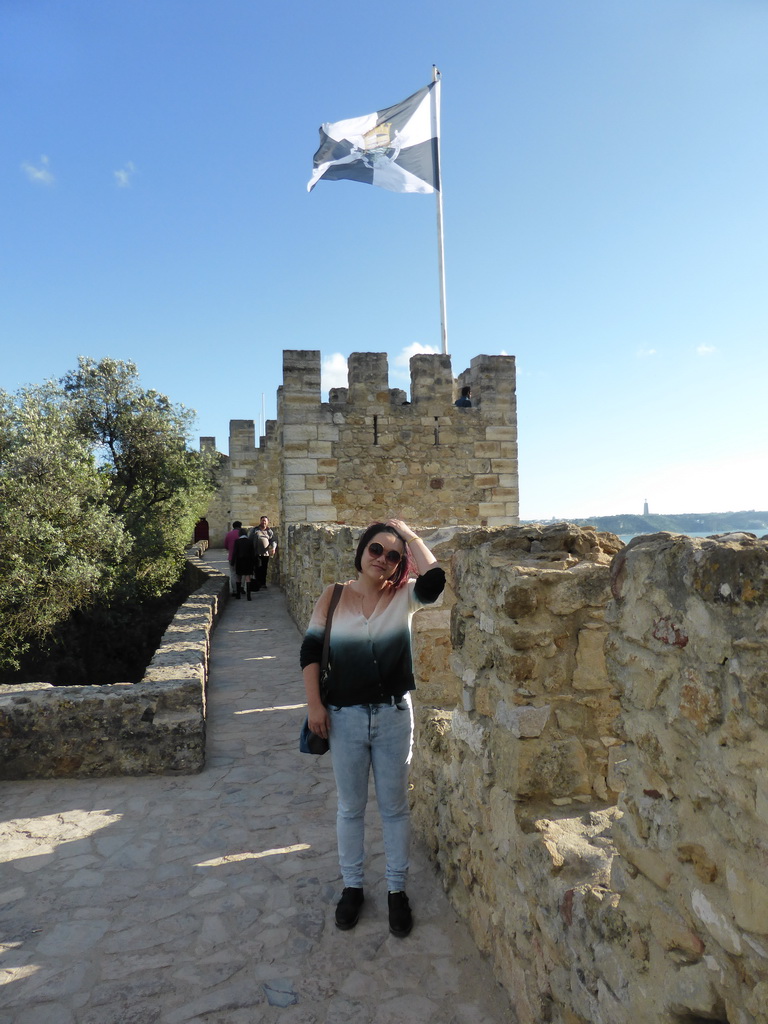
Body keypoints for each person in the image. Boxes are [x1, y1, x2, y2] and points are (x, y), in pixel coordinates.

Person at [300, 518, 445, 938]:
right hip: (342, 717)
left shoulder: (405, 597)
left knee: (395, 807)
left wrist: (410, 534)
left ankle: (396, 891)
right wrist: (314, 705)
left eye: (393, 555)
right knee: (350, 807)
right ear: (362, 551)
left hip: (393, 716)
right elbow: (310, 649)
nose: (383, 558)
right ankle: (353, 887)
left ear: (402, 564)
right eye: (376, 549)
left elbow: (435, 581)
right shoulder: (334, 596)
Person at [249, 515, 277, 591]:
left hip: (265, 554)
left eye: (265, 521)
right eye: (262, 520)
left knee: (264, 569)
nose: (263, 522)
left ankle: (263, 583)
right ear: (260, 521)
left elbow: (273, 540)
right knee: (257, 568)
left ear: (268, 522)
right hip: (256, 553)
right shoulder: (255, 530)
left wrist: (273, 548)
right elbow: (250, 539)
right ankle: (258, 583)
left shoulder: (269, 531)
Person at [231, 528, 256, 600]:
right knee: (248, 577)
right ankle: (249, 596)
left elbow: (234, 552)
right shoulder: (250, 541)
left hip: (239, 561)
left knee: (238, 577)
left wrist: (233, 562)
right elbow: (252, 553)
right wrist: (254, 563)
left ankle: (238, 595)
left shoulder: (237, 542)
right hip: (248, 561)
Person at [224, 520, 243, 596]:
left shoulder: (229, 534)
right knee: (241, 573)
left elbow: (225, 545)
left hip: (232, 557)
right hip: (241, 557)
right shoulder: (241, 534)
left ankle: (235, 590)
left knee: (233, 573)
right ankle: (241, 588)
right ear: (240, 527)